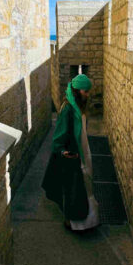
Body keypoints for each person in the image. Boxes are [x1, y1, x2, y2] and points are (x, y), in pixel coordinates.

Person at [42, 74, 100, 231]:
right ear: (76, 91)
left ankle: (87, 221)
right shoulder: (68, 108)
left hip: (82, 150)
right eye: (85, 92)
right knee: (75, 190)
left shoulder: (77, 105)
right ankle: (75, 223)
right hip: (73, 155)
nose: (87, 95)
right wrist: (62, 151)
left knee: (85, 185)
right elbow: (59, 136)